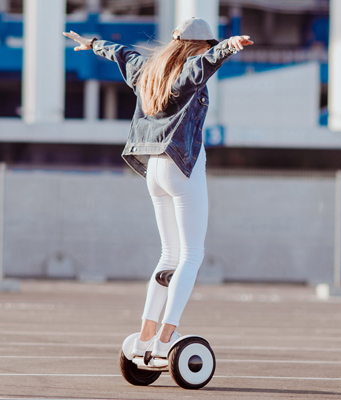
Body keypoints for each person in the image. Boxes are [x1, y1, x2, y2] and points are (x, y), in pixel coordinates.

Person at [64, 18, 253, 358]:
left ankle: (145, 335)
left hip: (154, 169)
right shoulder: (189, 70)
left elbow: (121, 53)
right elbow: (203, 67)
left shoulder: (149, 69)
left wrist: (92, 43)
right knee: (192, 255)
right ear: (200, 45)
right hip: (181, 168)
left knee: (170, 254)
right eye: (207, 46)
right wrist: (227, 47)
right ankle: (166, 338)